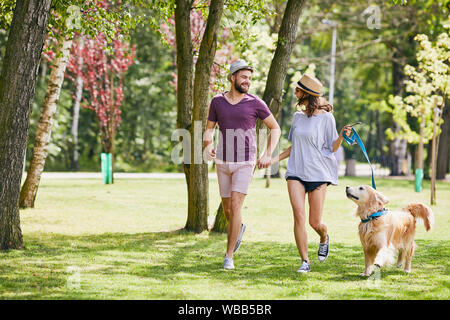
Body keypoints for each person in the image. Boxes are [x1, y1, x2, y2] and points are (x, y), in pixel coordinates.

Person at [204, 60, 281, 270]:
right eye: (243, 77)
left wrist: (267, 154)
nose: (247, 81)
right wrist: (208, 144)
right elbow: (209, 128)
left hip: (245, 162)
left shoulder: (255, 102)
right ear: (232, 78)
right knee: (228, 210)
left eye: (249, 78)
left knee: (236, 206)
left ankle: (229, 256)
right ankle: (239, 227)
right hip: (222, 161)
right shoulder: (217, 102)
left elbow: (275, 128)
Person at [270, 74, 351, 273]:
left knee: (314, 222)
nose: (295, 93)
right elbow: (293, 147)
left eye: (298, 90)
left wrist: (341, 135)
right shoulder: (297, 117)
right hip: (296, 171)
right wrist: (272, 160)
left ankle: (324, 237)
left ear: (307, 94)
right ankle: (305, 261)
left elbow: (331, 148)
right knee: (298, 216)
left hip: (318, 174)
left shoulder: (327, 118)